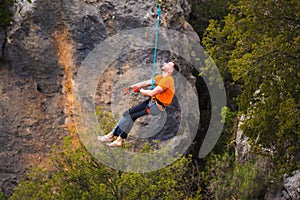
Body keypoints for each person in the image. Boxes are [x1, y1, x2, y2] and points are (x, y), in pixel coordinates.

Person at [97, 61, 176, 147]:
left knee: (128, 115)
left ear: (171, 71)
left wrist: (139, 90)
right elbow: (146, 83)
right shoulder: (161, 78)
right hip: (152, 103)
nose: (165, 63)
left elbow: (151, 93)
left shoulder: (169, 80)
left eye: (169, 64)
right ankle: (118, 139)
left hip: (155, 106)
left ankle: (112, 135)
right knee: (130, 116)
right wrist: (133, 86)